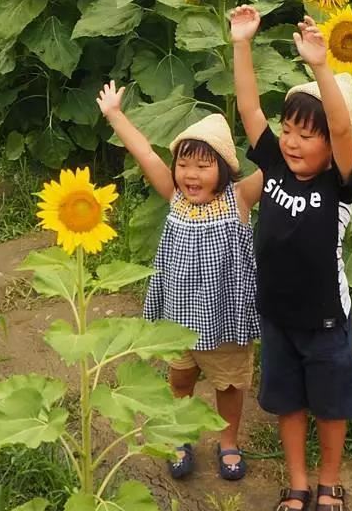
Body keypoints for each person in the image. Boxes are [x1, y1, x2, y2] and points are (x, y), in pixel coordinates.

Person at [230, 6, 352, 511]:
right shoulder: (276, 167)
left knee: (329, 408)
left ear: (330, 148)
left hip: (326, 320)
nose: (291, 141)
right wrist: (242, 43)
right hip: (278, 317)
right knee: (286, 403)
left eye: (307, 135)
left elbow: (343, 125)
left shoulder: (340, 185)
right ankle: (298, 483)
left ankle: (330, 482)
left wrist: (321, 68)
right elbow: (246, 108)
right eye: (288, 130)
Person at [96, 82, 263, 481]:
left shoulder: (239, 198)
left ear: (224, 168)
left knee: (228, 384)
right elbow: (144, 153)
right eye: (184, 164)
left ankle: (228, 442)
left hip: (226, 317)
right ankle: (179, 435)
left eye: (203, 166)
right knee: (180, 378)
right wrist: (115, 115)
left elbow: (275, 165)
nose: (190, 174)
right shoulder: (173, 194)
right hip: (180, 318)